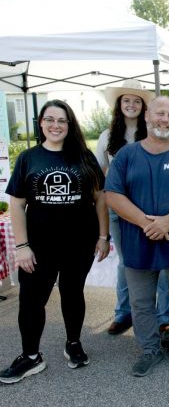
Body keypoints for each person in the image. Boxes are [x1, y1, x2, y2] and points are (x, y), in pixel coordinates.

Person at [0, 100, 109, 384]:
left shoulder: (84, 157)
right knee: (31, 300)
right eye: (50, 119)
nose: (55, 125)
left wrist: (103, 236)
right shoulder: (28, 158)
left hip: (79, 244)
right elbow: (16, 205)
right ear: (41, 123)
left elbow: (100, 200)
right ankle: (31, 356)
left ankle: (73, 343)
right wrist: (22, 246)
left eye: (62, 121)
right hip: (38, 247)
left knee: (73, 294)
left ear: (70, 125)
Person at [105, 96, 169, 378]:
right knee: (141, 302)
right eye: (159, 113)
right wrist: (145, 223)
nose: (165, 119)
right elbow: (112, 195)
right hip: (138, 243)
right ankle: (149, 350)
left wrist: (168, 221)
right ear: (148, 117)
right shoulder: (127, 155)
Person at [95, 79, 169, 336]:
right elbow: (103, 177)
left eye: (136, 101)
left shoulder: (151, 134)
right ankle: (123, 313)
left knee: (159, 262)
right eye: (126, 100)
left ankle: (163, 315)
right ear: (119, 105)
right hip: (119, 208)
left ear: (144, 107)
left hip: (150, 208)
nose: (131, 105)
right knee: (126, 262)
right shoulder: (107, 137)